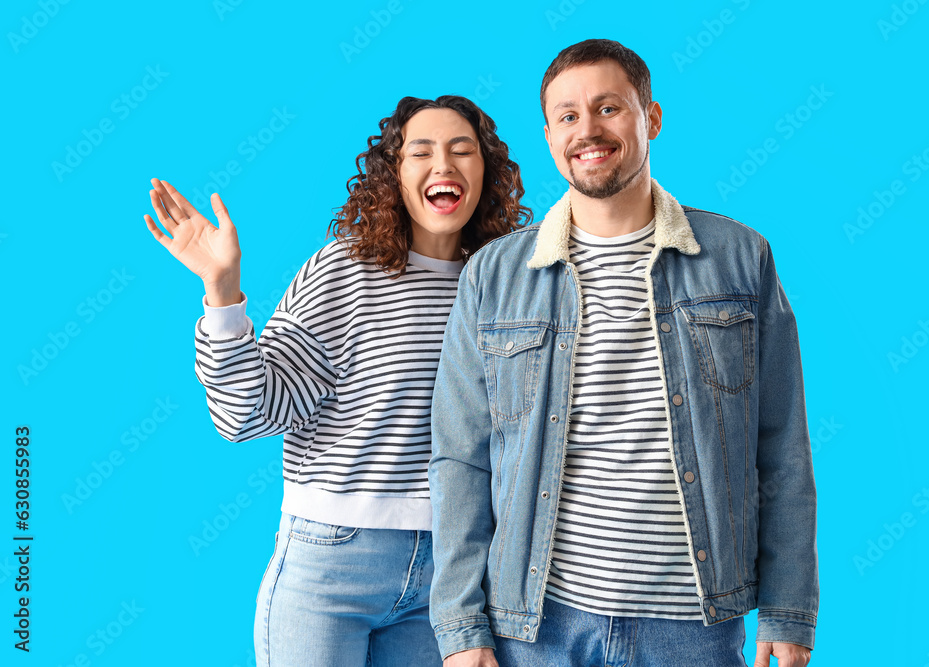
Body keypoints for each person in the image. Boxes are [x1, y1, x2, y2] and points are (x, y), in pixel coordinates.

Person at [428, 40, 818, 667]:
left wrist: (787, 606)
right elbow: (460, 460)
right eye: (568, 116)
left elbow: (781, 448)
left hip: (692, 626)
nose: (589, 130)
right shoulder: (494, 276)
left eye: (609, 108)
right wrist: (460, 627)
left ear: (650, 118)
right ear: (550, 133)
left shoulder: (740, 258)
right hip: (538, 626)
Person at [143, 95, 529, 667]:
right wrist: (221, 291)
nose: (443, 165)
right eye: (421, 152)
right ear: (394, 176)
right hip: (333, 559)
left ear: (485, 173)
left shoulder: (505, 282)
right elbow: (246, 413)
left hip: (456, 573)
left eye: (462, 151)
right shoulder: (346, 270)